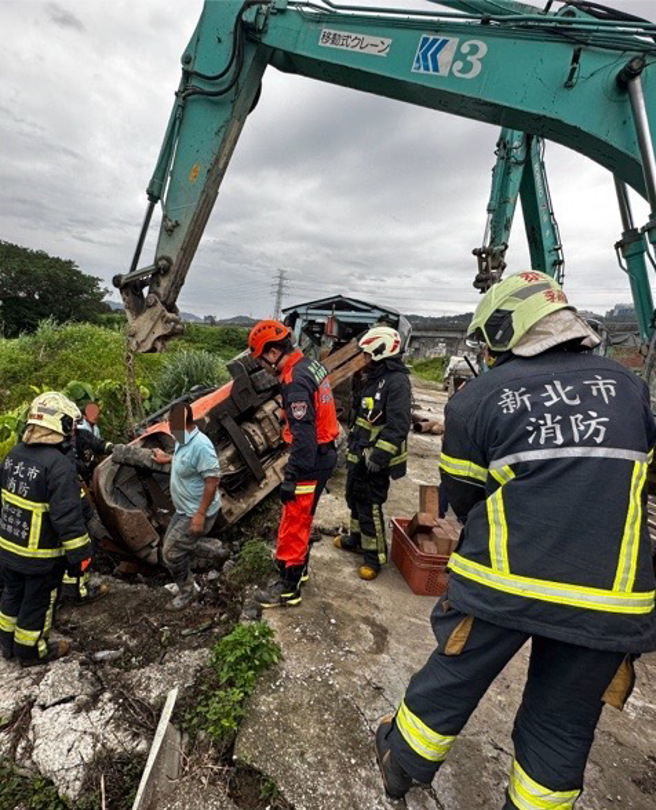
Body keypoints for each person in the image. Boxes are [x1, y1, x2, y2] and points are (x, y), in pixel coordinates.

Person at [375, 271, 656, 807]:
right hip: (611, 598)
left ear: (506, 330)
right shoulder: (628, 389)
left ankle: (401, 762)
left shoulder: (478, 398)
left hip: (503, 581)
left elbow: (464, 497)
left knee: (452, 678)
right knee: (563, 723)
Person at [247, 319, 339, 608]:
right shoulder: (309, 365)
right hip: (324, 453)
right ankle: (300, 570)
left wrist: (291, 476)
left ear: (273, 353)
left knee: (294, 519)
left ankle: (287, 587)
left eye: (262, 359)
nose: (262, 365)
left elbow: (304, 438)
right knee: (304, 515)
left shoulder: (293, 381)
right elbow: (314, 411)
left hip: (311, 458)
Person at [0, 392, 91, 666]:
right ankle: (31, 652)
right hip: (40, 557)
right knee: (37, 603)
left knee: (12, 595)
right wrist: (80, 557)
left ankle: (7, 645)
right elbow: (67, 517)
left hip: (7, 548)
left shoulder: (14, 455)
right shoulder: (58, 466)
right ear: (60, 425)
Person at [334, 326, 411, 580]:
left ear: (381, 353)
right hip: (359, 453)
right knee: (353, 498)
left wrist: (379, 456)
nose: (364, 359)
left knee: (370, 507)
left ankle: (374, 557)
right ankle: (356, 540)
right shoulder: (373, 378)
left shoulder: (397, 382)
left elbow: (398, 425)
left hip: (376, 459)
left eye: (367, 354)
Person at [152, 402, 222, 611]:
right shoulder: (183, 440)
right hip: (184, 510)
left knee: (171, 554)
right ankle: (212, 553)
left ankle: (188, 591)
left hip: (195, 512)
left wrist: (200, 514)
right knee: (171, 545)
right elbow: (187, 462)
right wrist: (168, 459)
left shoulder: (201, 445)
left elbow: (212, 479)